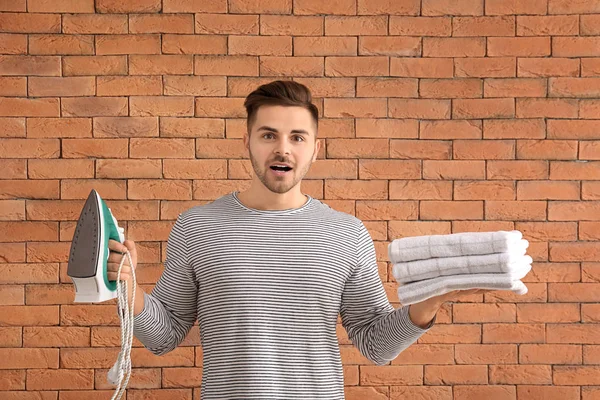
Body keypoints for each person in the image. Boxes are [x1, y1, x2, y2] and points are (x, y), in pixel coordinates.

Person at [107, 80, 486, 399]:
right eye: (268, 134)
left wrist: (431, 301)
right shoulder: (197, 227)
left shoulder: (346, 233)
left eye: (297, 137)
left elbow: (375, 344)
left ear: (315, 149)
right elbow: (165, 335)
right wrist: (130, 287)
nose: (282, 148)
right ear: (248, 142)